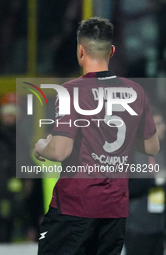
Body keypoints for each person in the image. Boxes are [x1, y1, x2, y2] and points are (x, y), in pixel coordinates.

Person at [34, 17, 160, 255]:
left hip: (75, 207)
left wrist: (41, 146)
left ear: (80, 51)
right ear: (112, 51)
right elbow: (152, 147)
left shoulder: (71, 91)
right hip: (114, 210)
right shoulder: (135, 91)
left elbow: (61, 150)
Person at [125, 107, 166, 255]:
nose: (163, 127)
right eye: (159, 124)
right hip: (137, 229)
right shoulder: (132, 155)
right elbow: (127, 187)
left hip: (158, 226)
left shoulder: (160, 152)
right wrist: (154, 180)